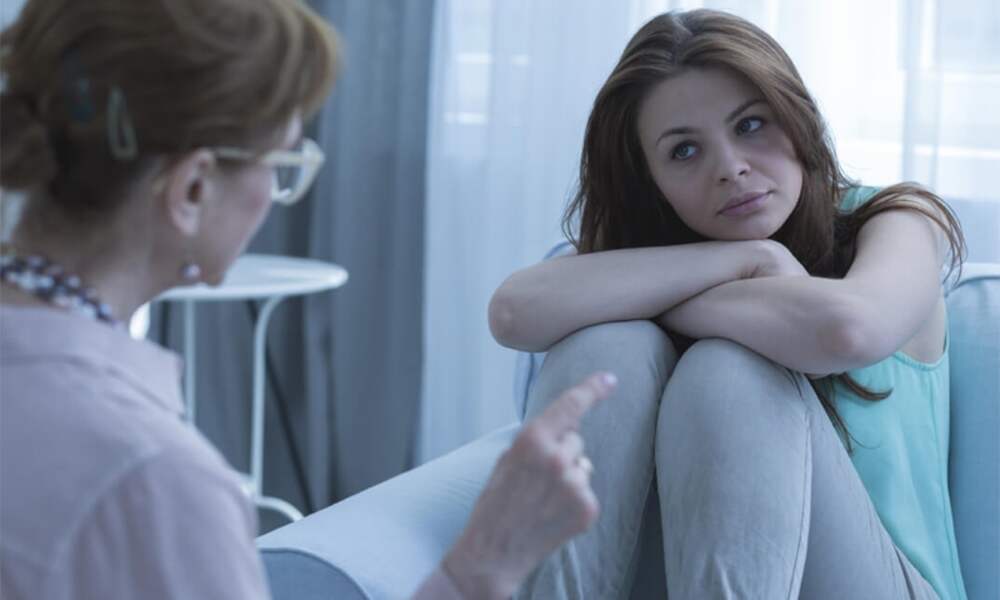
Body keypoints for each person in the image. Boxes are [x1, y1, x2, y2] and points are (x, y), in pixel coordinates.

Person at [0, 1, 613, 599]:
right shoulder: (153, 481)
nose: (275, 192)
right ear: (192, 189)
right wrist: (480, 569)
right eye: (280, 160)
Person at [489, 9, 967, 600]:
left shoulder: (896, 220)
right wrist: (750, 260)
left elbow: (846, 330)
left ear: (797, 118)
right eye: (684, 151)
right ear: (651, 180)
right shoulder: (661, 261)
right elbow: (512, 313)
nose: (731, 168)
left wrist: (671, 303)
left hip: (887, 584)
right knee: (608, 344)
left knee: (728, 370)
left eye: (750, 124)